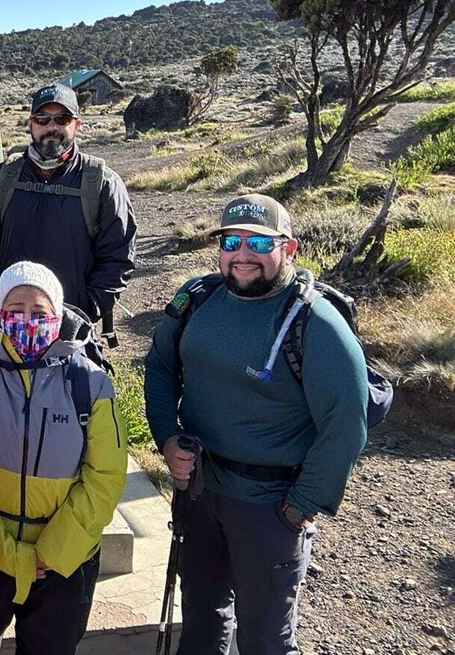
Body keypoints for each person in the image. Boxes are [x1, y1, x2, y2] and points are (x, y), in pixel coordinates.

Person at [144, 194, 369, 654]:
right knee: (203, 620)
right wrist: (167, 437)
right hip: (200, 491)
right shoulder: (198, 299)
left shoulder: (315, 322)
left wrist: (303, 504)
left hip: (269, 507)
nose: (242, 254)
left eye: (258, 243)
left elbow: (347, 420)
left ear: (289, 249)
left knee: (265, 639)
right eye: (231, 241)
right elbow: (161, 369)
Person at [0, 261, 126, 655]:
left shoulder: (90, 382)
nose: (27, 320)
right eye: (16, 310)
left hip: (66, 563)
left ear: (58, 316)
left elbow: (105, 475)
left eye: (39, 313)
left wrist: (51, 553)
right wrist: (5, 551)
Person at [0, 82, 137, 338]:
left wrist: (86, 310)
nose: (52, 127)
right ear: (31, 124)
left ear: (77, 124)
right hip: (9, 325)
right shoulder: (3, 178)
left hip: (71, 329)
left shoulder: (102, 183)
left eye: (62, 118)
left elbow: (118, 257)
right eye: (43, 119)